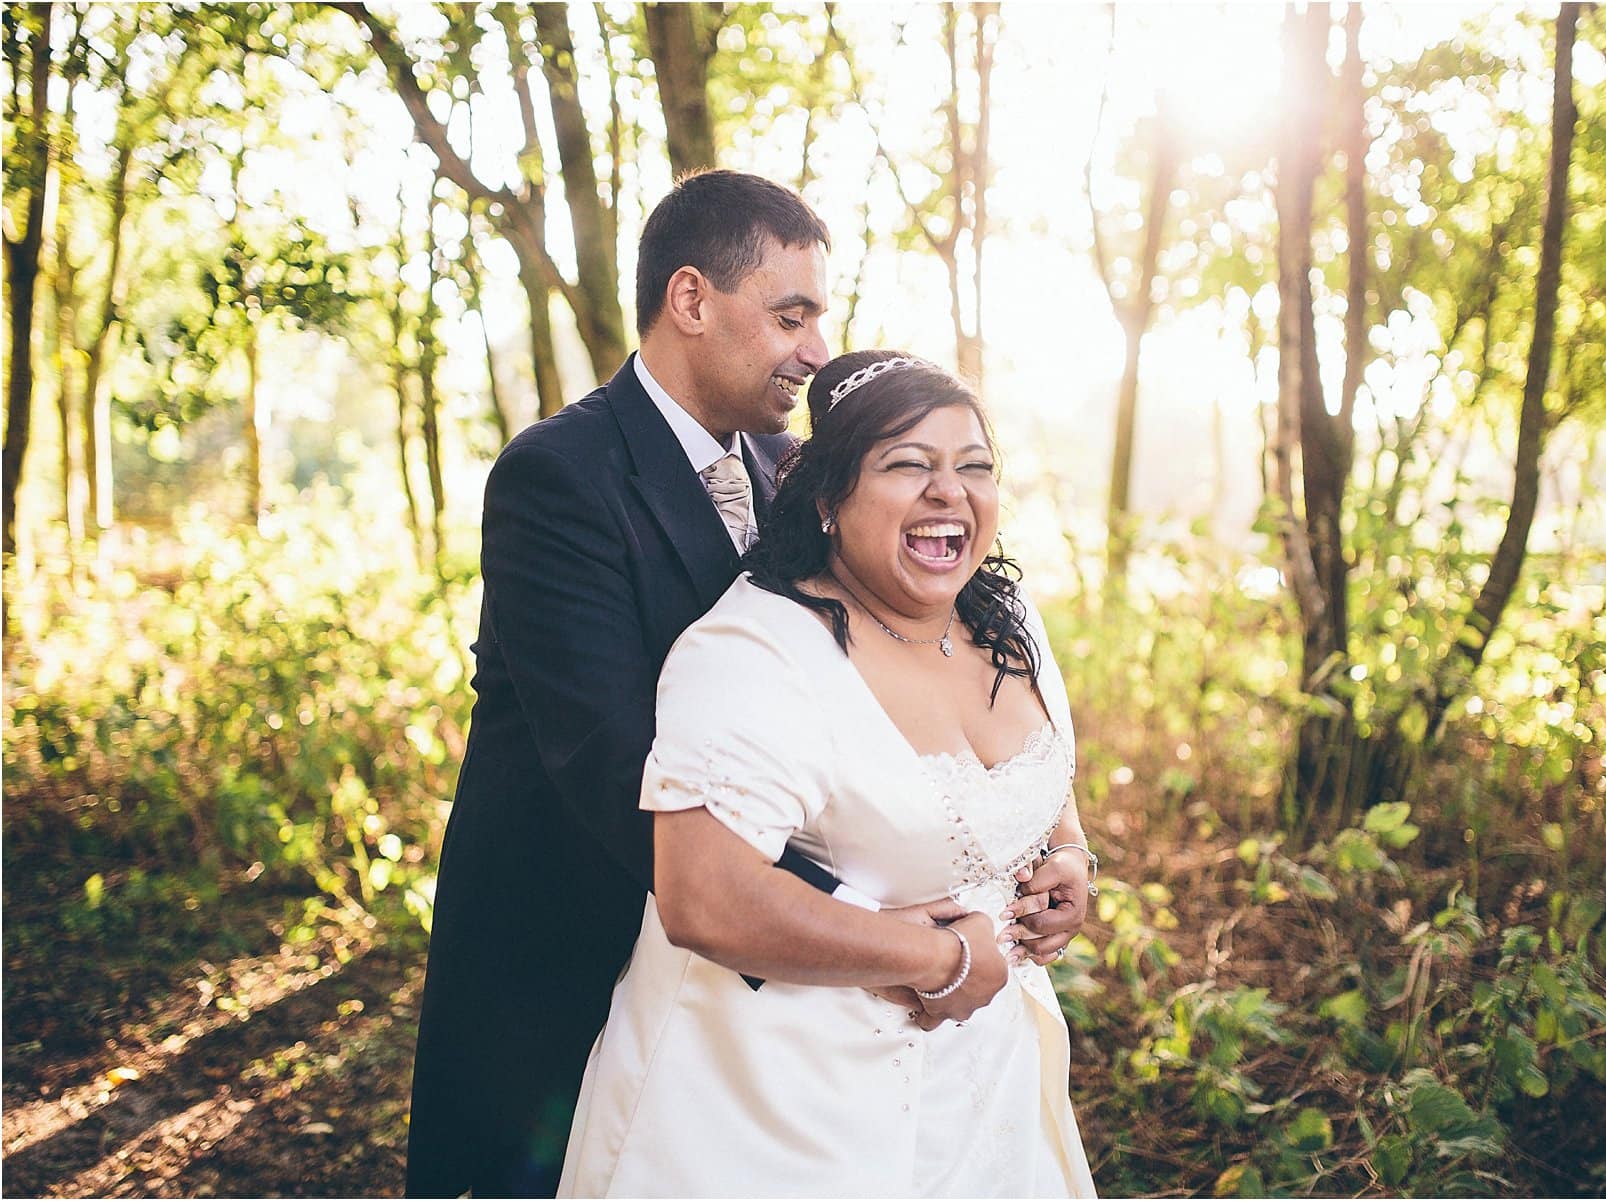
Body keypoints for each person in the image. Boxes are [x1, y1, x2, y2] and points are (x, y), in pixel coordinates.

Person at [405, 174, 1089, 1197]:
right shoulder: (559, 476)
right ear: (691, 301)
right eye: (792, 315)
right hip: (577, 934)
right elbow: (610, 759)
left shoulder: (799, 465)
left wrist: (1036, 847)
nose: (816, 349)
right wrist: (899, 922)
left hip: (812, 993)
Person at [557, 350, 1099, 1197]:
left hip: (990, 1081)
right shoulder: (755, 653)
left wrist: (1068, 853)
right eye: (907, 465)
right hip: (783, 1107)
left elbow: (1032, 775)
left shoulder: (1004, 621)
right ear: (826, 497)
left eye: (974, 467)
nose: (949, 491)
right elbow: (703, 896)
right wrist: (941, 959)